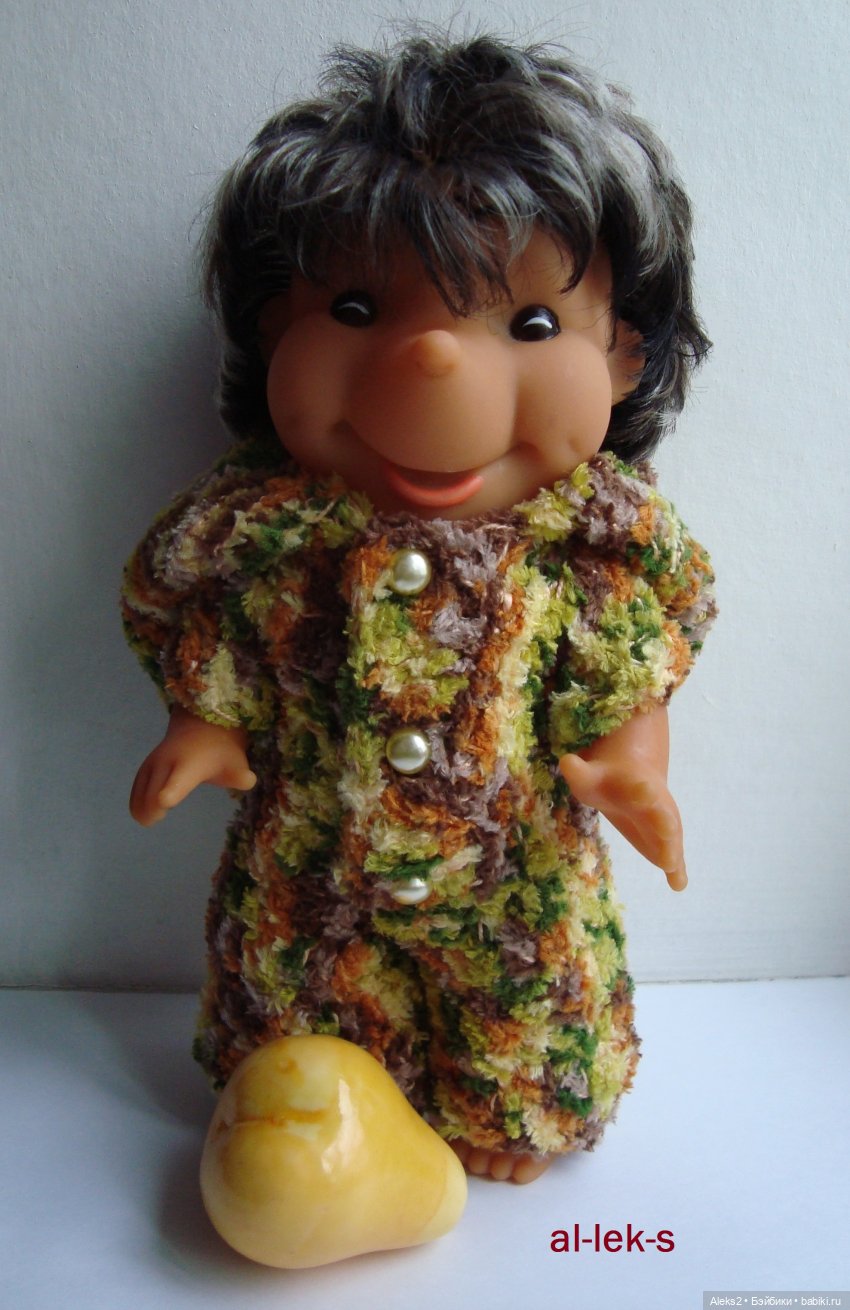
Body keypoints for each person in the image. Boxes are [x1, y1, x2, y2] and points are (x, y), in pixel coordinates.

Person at [123, 32, 716, 1188]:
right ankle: (317, 1119)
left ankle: (505, 1105)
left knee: (529, 1014)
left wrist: (632, 759)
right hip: (310, 869)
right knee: (294, 1034)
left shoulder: (583, 555)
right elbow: (229, 640)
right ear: (271, 329)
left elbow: (625, 665)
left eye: (530, 323)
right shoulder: (271, 541)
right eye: (355, 305)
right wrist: (204, 723)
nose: (435, 362)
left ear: (625, 354)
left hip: (515, 875)